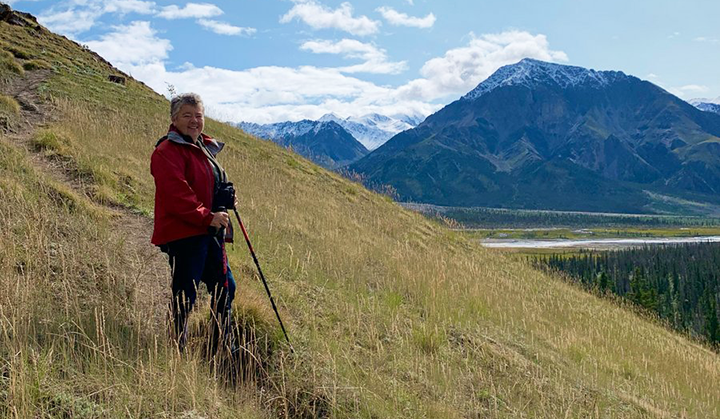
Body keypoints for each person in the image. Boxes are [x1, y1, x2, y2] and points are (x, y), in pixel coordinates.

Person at [150, 93, 237, 354]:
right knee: (185, 293)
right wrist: (207, 216)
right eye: (187, 115)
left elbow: (206, 184)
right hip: (184, 233)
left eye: (198, 115)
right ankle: (177, 348)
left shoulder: (202, 147)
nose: (194, 121)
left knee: (225, 287)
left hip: (208, 231)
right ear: (174, 119)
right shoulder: (166, 152)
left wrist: (225, 197)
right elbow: (178, 195)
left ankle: (222, 347)